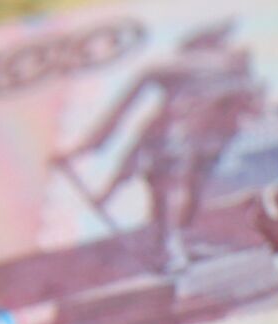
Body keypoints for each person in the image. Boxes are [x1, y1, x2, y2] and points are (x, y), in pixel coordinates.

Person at [57, 22, 264, 273]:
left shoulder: (179, 66)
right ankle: (172, 246)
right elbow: (252, 102)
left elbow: (121, 112)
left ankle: (172, 246)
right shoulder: (229, 64)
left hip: (185, 138)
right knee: (179, 186)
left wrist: (86, 148)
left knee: (174, 187)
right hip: (200, 138)